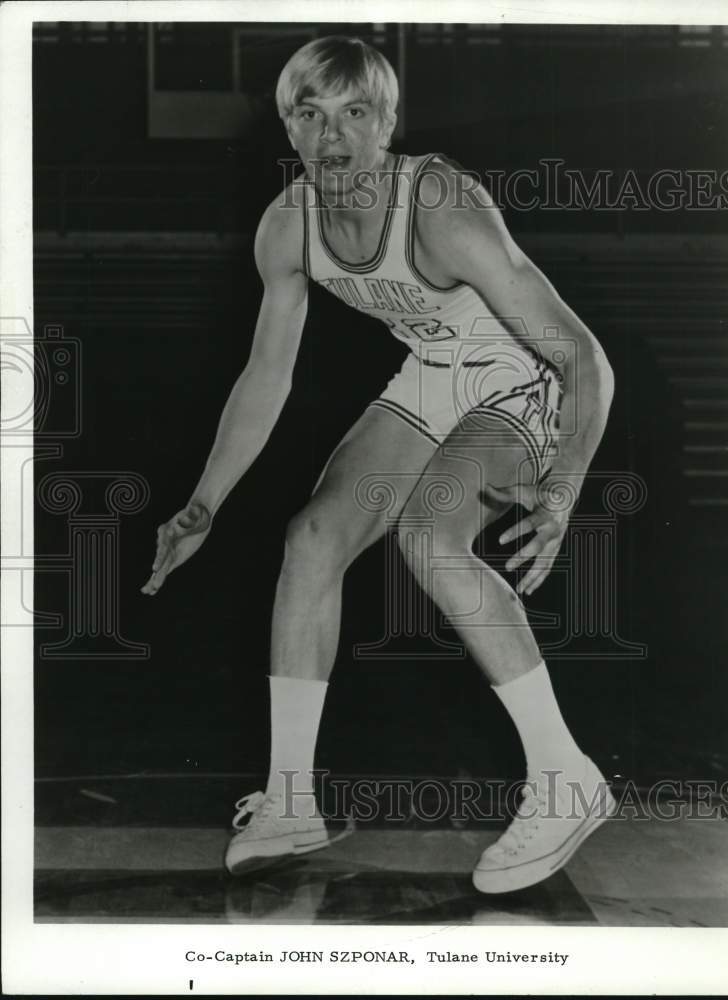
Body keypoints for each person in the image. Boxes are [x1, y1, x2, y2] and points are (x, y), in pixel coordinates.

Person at [141, 36, 617, 894]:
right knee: (313, 537)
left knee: (430, 535)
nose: (332, 137)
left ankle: (565, 776)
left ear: (387, 122)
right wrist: (203, 503)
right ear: (286, 125)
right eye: (310, 114)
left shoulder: (438, 205)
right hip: (434, 372)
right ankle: (291, 799)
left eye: (354, 113)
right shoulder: (287, 226)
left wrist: (565, 486)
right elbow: (266, 374)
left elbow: (581, 354)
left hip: (526, 376)